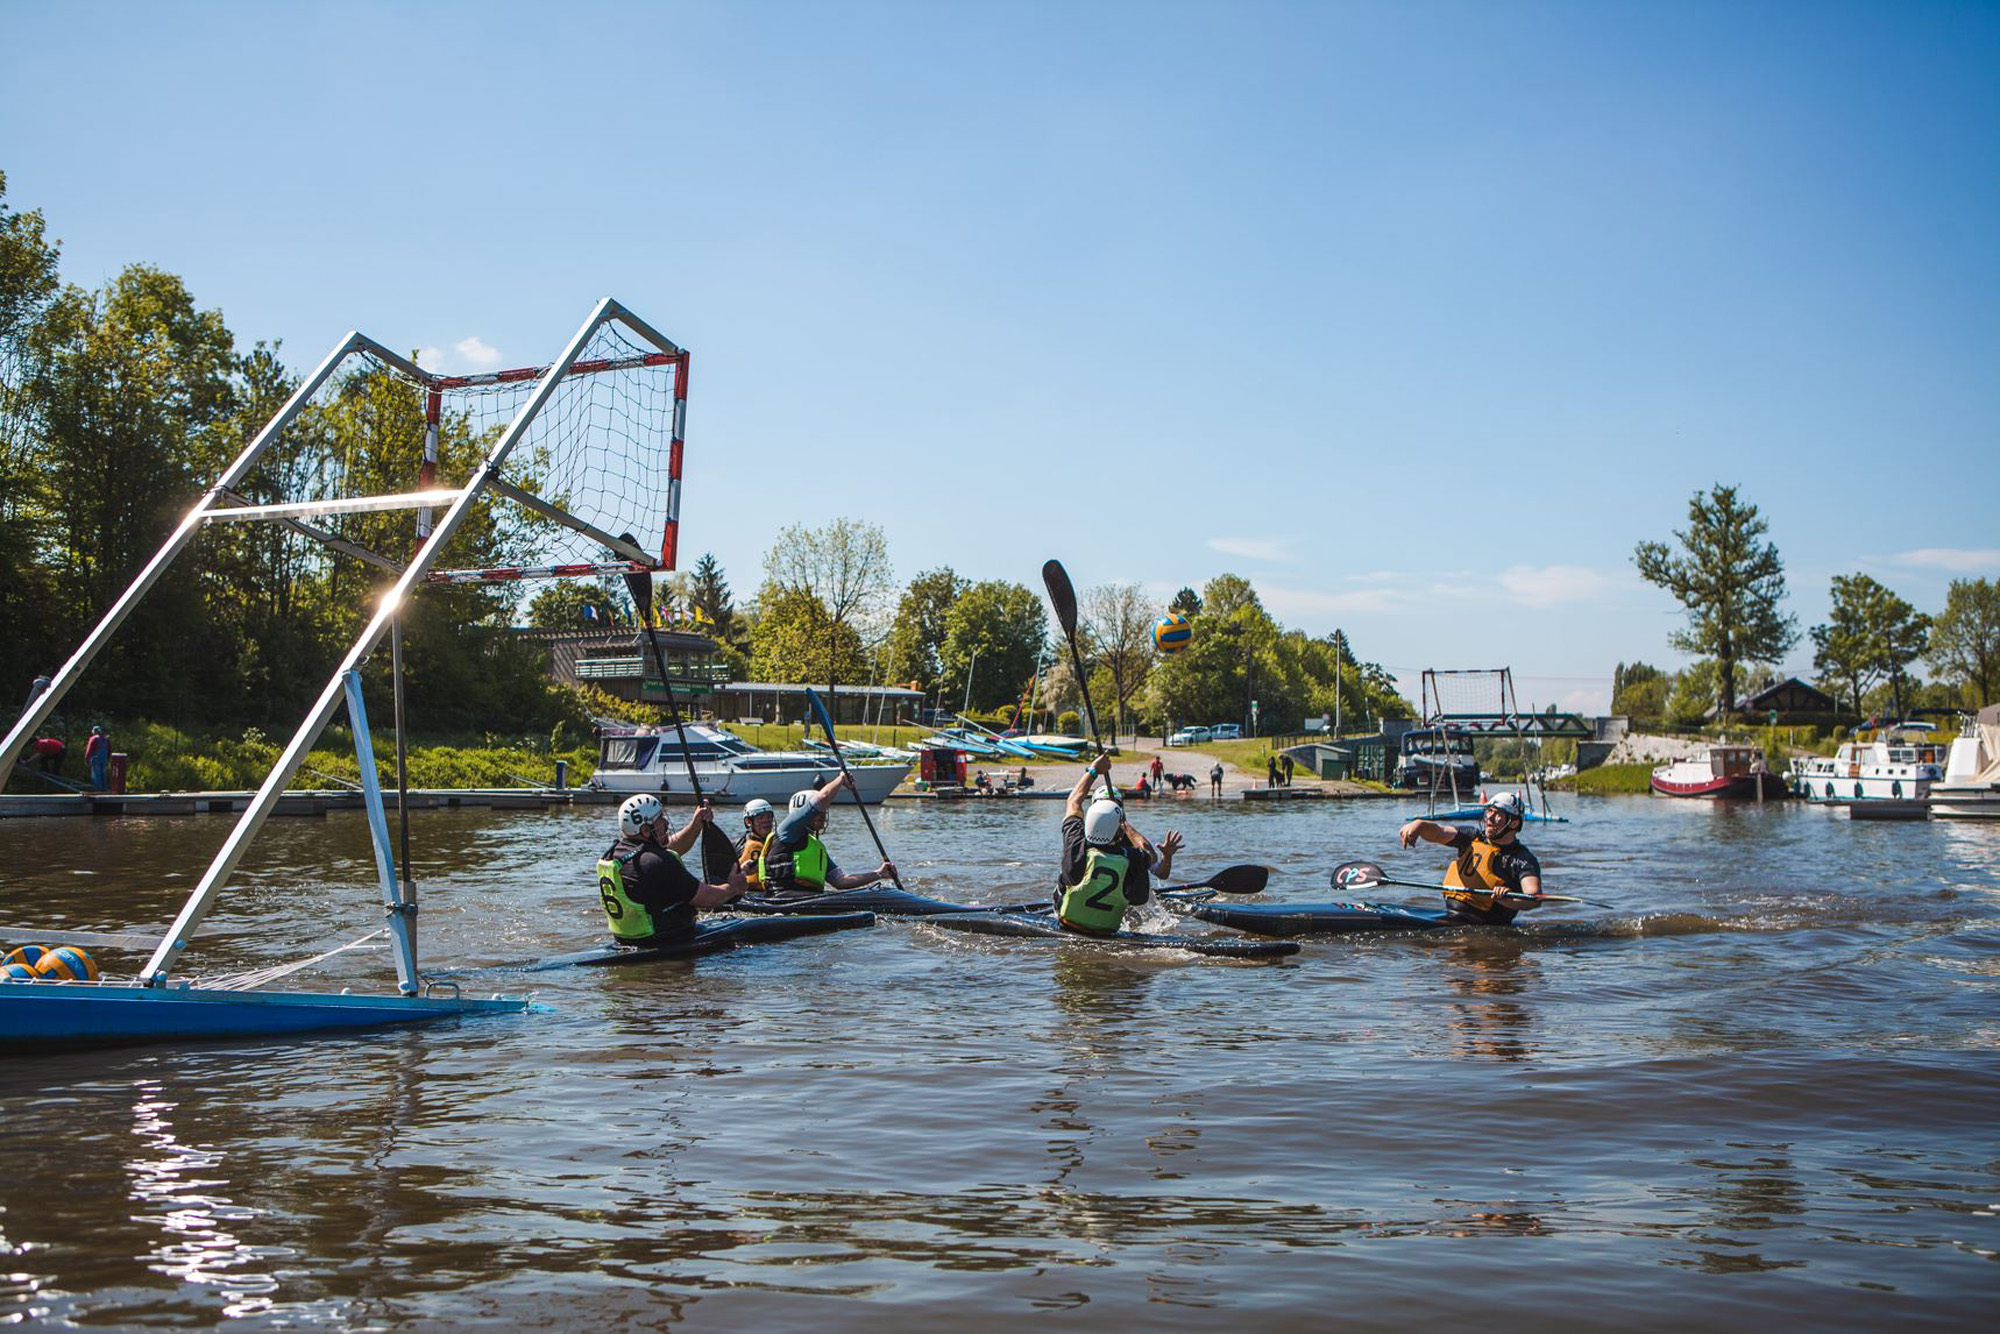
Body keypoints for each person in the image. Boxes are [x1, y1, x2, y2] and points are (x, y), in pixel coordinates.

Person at [1054, 753, 1182, 935]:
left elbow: (1074, 801)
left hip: (1068, 921)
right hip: (1107, 929)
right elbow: (1140, 896)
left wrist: (1094, 770)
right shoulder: (1134, 855)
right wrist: (1122, 823)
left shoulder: (1075, 842)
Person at [597, 794, 748, 946]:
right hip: (666, 939)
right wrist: (733, 888)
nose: (666, 823)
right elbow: (707, 900)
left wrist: (696, 826)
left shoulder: (615, 854)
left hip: (627, 939)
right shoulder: (658, 863)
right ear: (645, 830)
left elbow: (665, 851)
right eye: (660, 819)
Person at [1396, 791, 1545, 925]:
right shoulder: (1472, 837)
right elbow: (1439, 833)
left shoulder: (1522, 859)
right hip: (1453, 915)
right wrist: (1419, 825)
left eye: (1498, 813)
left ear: (1513, 822)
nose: (1489, 817)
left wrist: (1508, 900)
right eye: (1489, 811)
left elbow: (1534, 898)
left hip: (1487, 924)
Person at [759, 773, 897, 893]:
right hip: (783, 898)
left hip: (810, 900)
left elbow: (841, 881)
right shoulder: (786, 830)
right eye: (819, 813)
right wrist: (841, 779)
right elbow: (822, 798)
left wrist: (878, 874)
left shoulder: (817, 848)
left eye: (824, 813)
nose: (823, 816)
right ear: (801, 814)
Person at [735, 797, 776, 891]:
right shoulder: (739, 846)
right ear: (748, 822)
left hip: (771, 892)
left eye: (769, 816)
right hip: (748, 894)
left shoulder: (777, 842)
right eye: (761, 817)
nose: (766, 821)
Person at [85, 725, 109, 792]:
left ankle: (98, 790)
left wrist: (87, 759)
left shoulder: (93, 738)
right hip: (104, 759)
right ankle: (104, 788)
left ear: (94, 731)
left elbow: (89, 750)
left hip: (96, 759)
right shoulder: (105, 739)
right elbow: (109, 750)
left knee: (96, 774)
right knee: (103, 774)